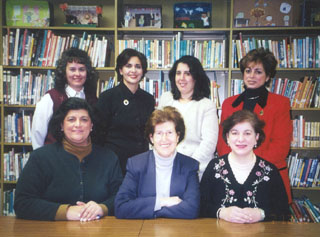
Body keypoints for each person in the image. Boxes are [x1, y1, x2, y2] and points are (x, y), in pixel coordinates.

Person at [14, 98, 123, 221]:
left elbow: (121, 197)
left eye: (84, 120)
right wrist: (65, 211)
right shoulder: (40, 158)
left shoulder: (109, 158)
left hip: (98, 230)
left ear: (91, 125)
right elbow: (22, 203)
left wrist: (103, 208)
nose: (78, 124)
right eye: (71, 119)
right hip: (51, 231)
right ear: (61, 125)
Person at [216, 48, 292, 203]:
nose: (251, 76)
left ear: (268, 76)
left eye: (258, 72)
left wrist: (250, 166)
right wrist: (235, 167)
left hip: (268, 175)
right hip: (233, 174)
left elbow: (281, 146)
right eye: (248, 70)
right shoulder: (229, 104)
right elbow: (223, 141)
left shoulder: (280, 103)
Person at [200, 110, 290, 223]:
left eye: (247, 133)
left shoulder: (270, 171)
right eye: (235, 133)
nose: (241, 139)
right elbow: (200, 206)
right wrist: (221, 213)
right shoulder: (214, 167)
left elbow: (284, 212)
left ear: (256, 137)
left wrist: (262, 214)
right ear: (227, 137)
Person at [115, 106, 199, 219]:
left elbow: (192, 209)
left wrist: (151, 210)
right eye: (159, 133)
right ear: (151, 138)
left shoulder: (189, 166)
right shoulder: (136, 164)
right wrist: (162, 202)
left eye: (169, 132)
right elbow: (121, 207)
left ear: (178, 136)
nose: (164, 139)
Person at [158, 55, 218, 180]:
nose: (182, 78)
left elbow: (209, 143)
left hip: (195, 169)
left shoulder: (206, 105)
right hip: (165, 165)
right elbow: (156, 132)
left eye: (187, 73)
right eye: (178, 73)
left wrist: (187, 166)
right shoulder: (166, 98)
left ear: (195, 77)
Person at [97, 48, 155, 174]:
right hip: (114, 164)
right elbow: (98, 134)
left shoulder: (148, 99)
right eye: (128, 66)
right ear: (120, 70)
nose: (133, 71)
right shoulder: (108, 97)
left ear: (143, 71)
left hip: (141, 162)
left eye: (138, 66)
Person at [31, 48, 98, 150]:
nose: (77, 74)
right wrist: (42, 160)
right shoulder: (50, 98)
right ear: (64, 72)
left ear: (87, 72)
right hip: (55, 159)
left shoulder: (92, 98)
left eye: (81, 69)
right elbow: (37, 134)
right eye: (72, 69)